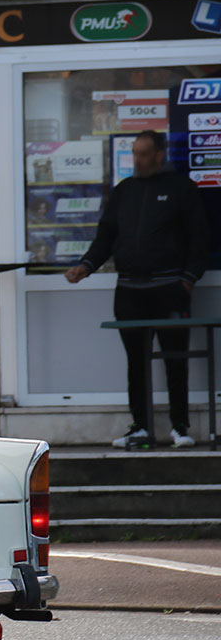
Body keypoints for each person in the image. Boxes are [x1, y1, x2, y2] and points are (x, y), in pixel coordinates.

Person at [64, 130, 209, 449]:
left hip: (169, 289)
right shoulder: (124, 191)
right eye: (134, 153)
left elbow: (200, 239)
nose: (138, 160)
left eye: (144, 154)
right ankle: (141, 428)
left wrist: (188, 278)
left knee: (175, 359)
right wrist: (86, 266)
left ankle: (180, 428)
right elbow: (105, 238)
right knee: (136, 362)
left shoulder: (181, 188)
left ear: (159, 155)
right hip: (129, 291)